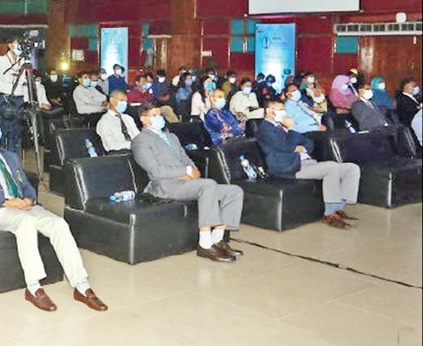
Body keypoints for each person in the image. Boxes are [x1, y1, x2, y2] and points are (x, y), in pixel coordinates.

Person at [0, 110, 107, 312]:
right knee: (26, 222)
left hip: (23, 205)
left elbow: (25, 185)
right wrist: (7, 201)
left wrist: (29, 199)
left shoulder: (9, 156)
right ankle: (34, 287)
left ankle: (81, 285)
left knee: (59, 224)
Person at [131, 104, 244, 262]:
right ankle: (204, 245)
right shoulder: (140, 141)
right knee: (208, 185)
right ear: (144, 119)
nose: (160, 118)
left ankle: (217, 239)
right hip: (166, 186)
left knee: (234, 191)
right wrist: (185, 172)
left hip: (186, 183)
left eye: (160, 115)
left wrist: (193, 169)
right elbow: (155, 171)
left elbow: (185, 158)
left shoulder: (171, 137)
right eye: (155, 115)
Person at [256, 99, 360, 228]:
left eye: (284, 109)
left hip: (305, 162)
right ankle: (329, 214)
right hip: (288, 167)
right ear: (269, 111)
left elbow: (308, 143)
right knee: (330, 167)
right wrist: (291, 129)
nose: (284, 113)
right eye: (280, 110)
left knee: (352, 168)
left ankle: (338, 207)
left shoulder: (282, 126)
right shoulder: (265, 129)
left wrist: (300, 147)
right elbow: (287, 146)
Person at [0, 38, 27, 154]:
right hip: (6, 97)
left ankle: (13, 154)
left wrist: (15, 76)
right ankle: (5, 153)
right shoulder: (2, 59)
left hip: (19, 96)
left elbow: (23, 78)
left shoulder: (22, 60)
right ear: (10, 45)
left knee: (16, 129)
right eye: (16, 43)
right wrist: (16, 76)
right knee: (6, 128)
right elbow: (5, 78)